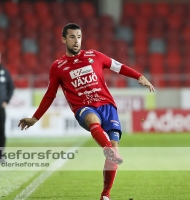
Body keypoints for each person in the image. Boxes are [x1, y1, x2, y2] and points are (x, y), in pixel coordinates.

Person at [18, 23, 155, 200]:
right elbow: (50, 95)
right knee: (93, 121)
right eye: (72, 37)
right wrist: (35, 118)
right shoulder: (58, 66)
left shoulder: (94, 55)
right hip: (84, 108)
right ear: (64, 39)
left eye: (79, 37)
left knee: (114, 150)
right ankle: (108, 149)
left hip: (108, 107)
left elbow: (118, 66)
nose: (76, 41)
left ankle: (105, 195)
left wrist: (139, 76)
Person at [0, 63, 15, 163]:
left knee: (1, 131)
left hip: (0, 108)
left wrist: (6, 100)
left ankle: (1, 156)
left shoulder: (4, 72)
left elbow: (11, 87)